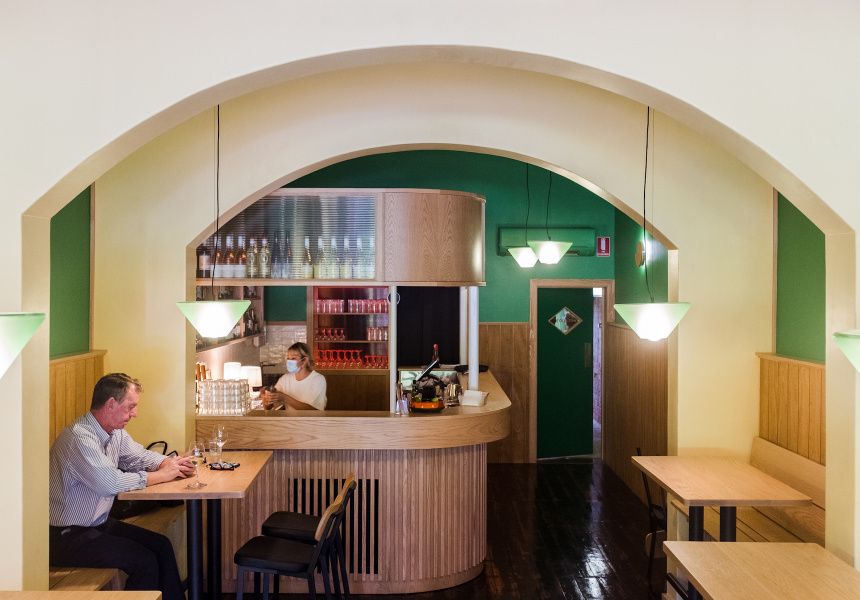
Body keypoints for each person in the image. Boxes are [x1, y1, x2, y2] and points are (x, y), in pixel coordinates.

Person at [49, 373, 194, 600]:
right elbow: (110, 483)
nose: (135, 414)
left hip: (98, 525)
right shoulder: (79, 438)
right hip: (66, 537)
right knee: (143, 561)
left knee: (161, 545)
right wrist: (161, 475)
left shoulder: (114, 433)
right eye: (131, 407)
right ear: (110, 404)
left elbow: (140, 456)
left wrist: (168, 463)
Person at [261, 342, 327, 410]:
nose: (289, 361)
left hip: (311, 417)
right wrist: (265, 398)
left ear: (304, 360)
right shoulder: (285, 379)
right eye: (288, 358)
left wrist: (284, 398)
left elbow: (312, 410)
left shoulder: (318, 379)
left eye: (293, 358)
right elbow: (269, 407)